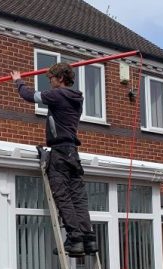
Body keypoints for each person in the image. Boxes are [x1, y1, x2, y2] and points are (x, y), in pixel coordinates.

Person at [10, 62, 97, 257]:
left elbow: (30, 96)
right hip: (73, 154)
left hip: (59, 152)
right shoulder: (76, 98)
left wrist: (18, 81)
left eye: (51, 78)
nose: (49, 82)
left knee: (63, 196)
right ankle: (88, 239)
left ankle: (75, 240)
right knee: (78, 198)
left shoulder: (57, 95)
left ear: (60, 79)